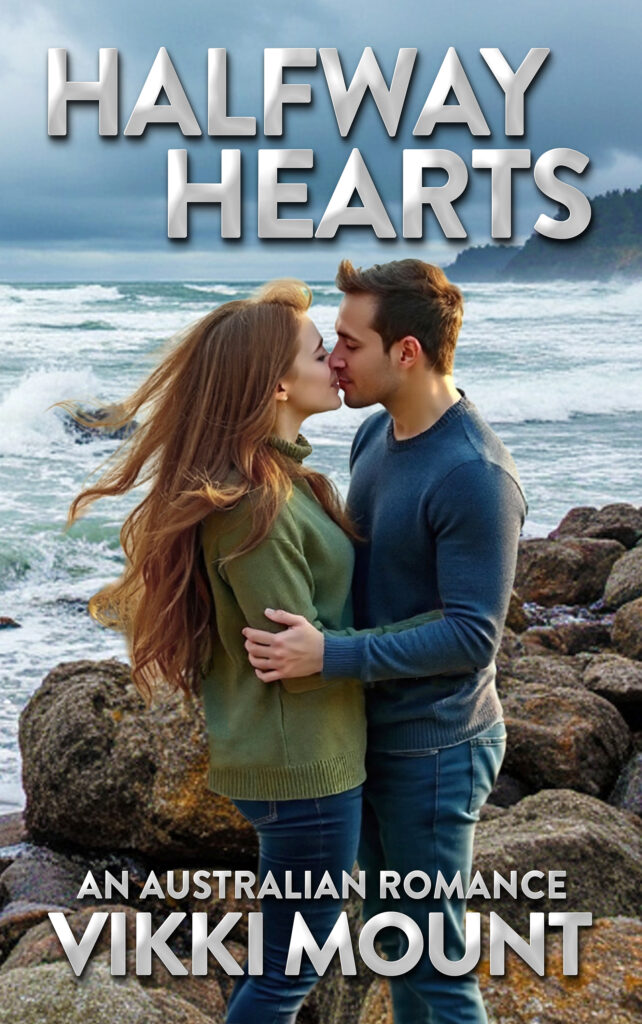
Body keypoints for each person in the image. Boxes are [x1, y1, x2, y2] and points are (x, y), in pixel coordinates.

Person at [65, 278, 438, 1024]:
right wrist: (441, 637)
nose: (332, 359)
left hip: (299, 760)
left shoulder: (276, 479)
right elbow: (297, 661)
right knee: (285, 977)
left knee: (279, 967)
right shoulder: (253, 505)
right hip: (304, 766)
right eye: (315, 349)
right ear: (275, 384)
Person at [242, 259, 528, 1024]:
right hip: (370, 734)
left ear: (406, 352)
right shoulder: (375, 433)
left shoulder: (474, 475)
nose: (334, 359)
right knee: (397, 950)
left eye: (348, 342)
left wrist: (331, 655)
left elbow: (472, 635)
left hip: (435, 749)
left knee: (433, 971)